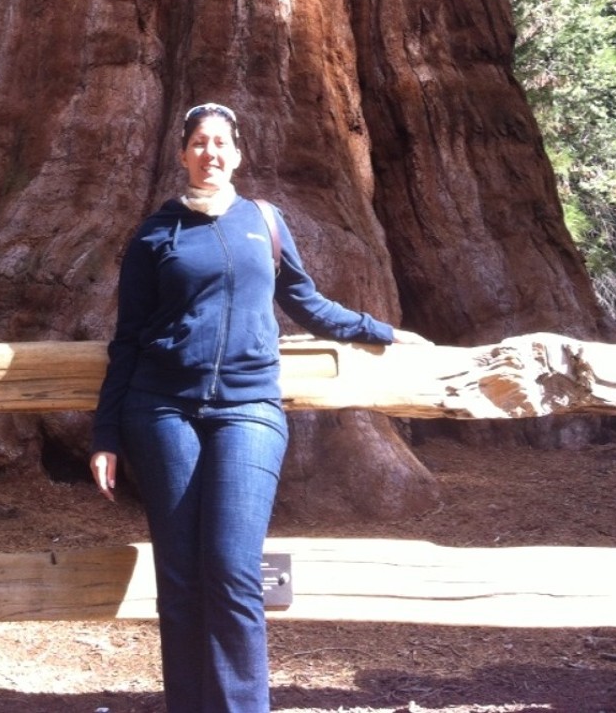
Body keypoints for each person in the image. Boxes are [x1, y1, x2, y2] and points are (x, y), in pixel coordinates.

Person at [89, 102, 430, 713]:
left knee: (231, 570)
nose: (209, 153)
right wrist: (106, 433)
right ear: (182, 153)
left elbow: (307, 301)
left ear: (237, 154)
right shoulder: (153, 234)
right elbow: (129, 338)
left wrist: (381, 330)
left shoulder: (264, 222)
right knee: (181, 576)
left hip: (249, 410)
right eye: (198, 142)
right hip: (162, 412)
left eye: (220, 143)